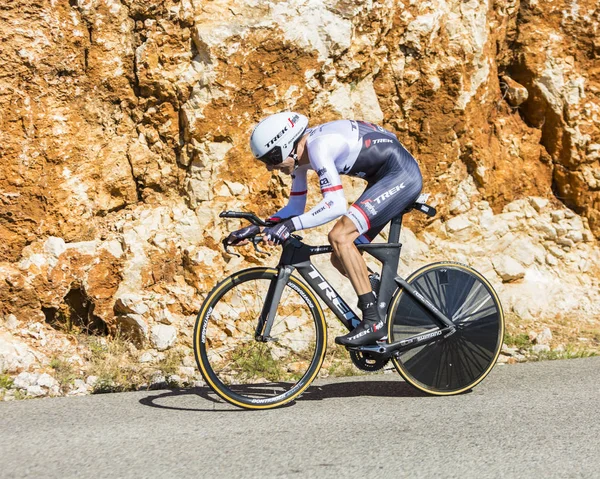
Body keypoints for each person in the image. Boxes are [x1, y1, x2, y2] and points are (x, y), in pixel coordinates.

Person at [227, 112, 423, 346]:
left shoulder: (318, 147)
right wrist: (259, 227)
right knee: (340, 258)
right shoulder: (300, 157)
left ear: (287, 146)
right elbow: (295, 207)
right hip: (384, 178)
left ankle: (373, 321)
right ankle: (390, 303)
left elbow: (335, 205)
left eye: (271, 158)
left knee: (340, 237)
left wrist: (288, 226)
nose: (270, 167)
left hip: (401, 176)